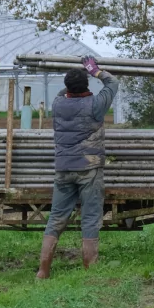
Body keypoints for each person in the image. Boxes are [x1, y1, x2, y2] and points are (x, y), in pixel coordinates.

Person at [36, 56, 119, 279]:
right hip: (89, 169)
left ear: (67, 86)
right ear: (87, 84)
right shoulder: (95, 104)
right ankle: (89, 270)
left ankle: (43, 270)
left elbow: (66, 92)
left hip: (63, 169)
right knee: (90, 218)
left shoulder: (58, 103)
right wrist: (95, 71)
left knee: (56, 218)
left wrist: (74, 81)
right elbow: (113, 83)